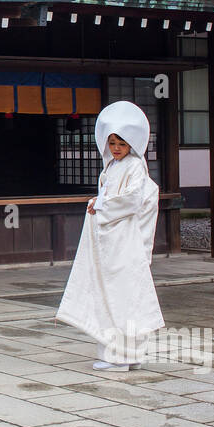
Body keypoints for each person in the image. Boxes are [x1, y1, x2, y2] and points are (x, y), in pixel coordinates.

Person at [55, 100, 164, 371]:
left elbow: (132, 200)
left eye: (122, 144)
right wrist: (98, 201)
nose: (116, 148)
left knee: (122, 294)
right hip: (113, 239)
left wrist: (101, 205)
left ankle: (121, 356)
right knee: (115, 293)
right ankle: (126, 354)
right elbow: (110, 198)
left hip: (123, 240)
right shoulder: (112, 168)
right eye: (112, 143)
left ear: (132, 146)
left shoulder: (135, 167)